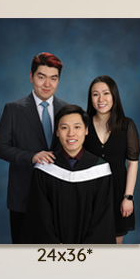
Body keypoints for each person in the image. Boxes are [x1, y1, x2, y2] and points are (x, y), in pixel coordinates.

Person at [0, 52, 72, 244]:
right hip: (23, 197)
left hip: (58, 197)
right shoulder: (13, 109)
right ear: (31, 77)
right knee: (23, 256)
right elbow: (0, 147)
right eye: (41, 77)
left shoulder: (68, 110)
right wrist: (31, 156)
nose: (47, 84)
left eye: (53, 78)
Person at [21, 105, 115, 244]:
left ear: (86, 130)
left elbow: (103, 218)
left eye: (77, 127)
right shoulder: (44, 167)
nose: (71, 133)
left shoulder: (100, 169)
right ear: (57, 132)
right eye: (64, 127)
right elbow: (38, 214)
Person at [84, 75, 140, 244]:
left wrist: (128, 197)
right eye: (95, 94)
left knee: (115, 245)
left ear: (114, 96)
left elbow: (132, 164)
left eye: (106, 93)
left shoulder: (127, 125)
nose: (101, 99)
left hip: (118, 193)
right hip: (88, 193)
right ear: (90, 98)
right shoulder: (82, 123)